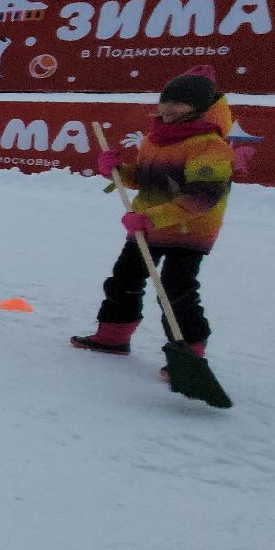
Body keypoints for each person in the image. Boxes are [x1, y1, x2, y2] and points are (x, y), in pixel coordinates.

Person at [71, 66, 233, 369]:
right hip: (148, 224)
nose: (168, 108)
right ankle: (113, 336)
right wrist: (117, 171)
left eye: (179, 103)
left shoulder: (210, 146)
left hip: (188, 230)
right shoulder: (155, 138)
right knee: (124, 279)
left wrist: (152, 218)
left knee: (175, 289)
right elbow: (150, 180)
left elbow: (203, 197)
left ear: (198, 108)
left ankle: (190, 355)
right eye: (165, 101)